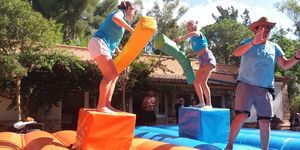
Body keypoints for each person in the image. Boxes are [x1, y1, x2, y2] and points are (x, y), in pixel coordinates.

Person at [225, 16, 300, 150]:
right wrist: (253, 43)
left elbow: (285, 65)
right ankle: (229, 145)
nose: (265, 30)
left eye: (268, 28)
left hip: (264, 89)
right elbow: (236, 53)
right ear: (256, 30)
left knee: (265, 121)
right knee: (242, 115)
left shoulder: (274, 47)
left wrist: (296, 57)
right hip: (245, 85)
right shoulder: (248, 42)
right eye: (262, 27)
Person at [88, 1, 135, 113]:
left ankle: (107, 104)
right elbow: (115, 18)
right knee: (110, 74)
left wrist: (118, 50)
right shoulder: (120, 12)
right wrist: (132, 30)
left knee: (114, 75)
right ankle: (101, 106)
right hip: (99, 43)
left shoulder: (122, 22)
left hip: (102, 44)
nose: (133, 15)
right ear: (128, 9)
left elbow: (112, 38)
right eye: (133, 12)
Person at [174, 20, 216, 109]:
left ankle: (209, 104)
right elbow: (195, 51)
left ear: (193, 26)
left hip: (207, 58)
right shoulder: (193, 39)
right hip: (201, 60)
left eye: (188, 26)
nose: (187, 28)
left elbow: (192, 33)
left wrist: (179, 39)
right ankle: (202, 102)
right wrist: (187, 55)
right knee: (196, 82)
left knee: (203, 82)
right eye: (187, 26)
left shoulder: (197, 33)